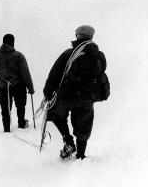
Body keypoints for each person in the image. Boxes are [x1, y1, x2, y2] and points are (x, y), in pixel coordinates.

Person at [43, 25, 107, 159]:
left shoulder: (69, 54)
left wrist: (47, 93)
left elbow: (54, 75)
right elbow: (101, 74)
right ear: (91, 37)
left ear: (78, 36)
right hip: (88, 98)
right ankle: (81, 155)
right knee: (83, 125)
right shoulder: (99, 56)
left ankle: (68, 141)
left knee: (56, 115)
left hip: (67, 96)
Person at [0, 34, 35, 132]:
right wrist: (30, 88)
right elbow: (25, 74)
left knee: (5, 109)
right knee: (20, 106)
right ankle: (21, 124)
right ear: (13, 42)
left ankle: (6, 128)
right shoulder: (18, 56)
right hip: (18, 86)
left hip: (3, 87)